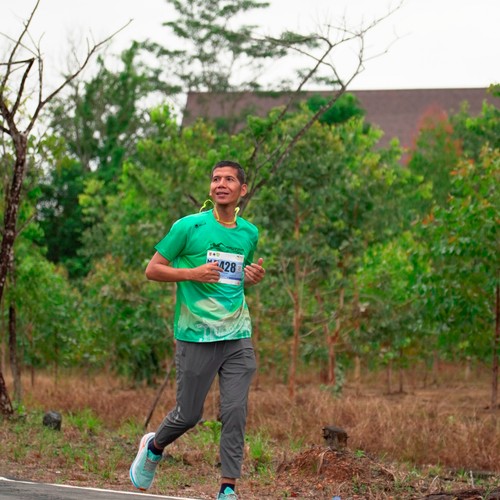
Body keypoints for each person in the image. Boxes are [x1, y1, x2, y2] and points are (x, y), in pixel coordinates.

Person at [130, 160, 265, 500]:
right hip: (196, 336)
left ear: (242, 190)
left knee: (234, 412)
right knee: (188, 415)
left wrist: (250, 278)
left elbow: (233, 282)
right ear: (210, 187)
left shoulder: (249, 233)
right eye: (216, 178)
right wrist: (192, 273)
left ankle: (227, 488)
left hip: (237, 335)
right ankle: (154, 447)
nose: (221, 184)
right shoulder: (188, 227)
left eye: (229, 179)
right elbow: (152, 270)